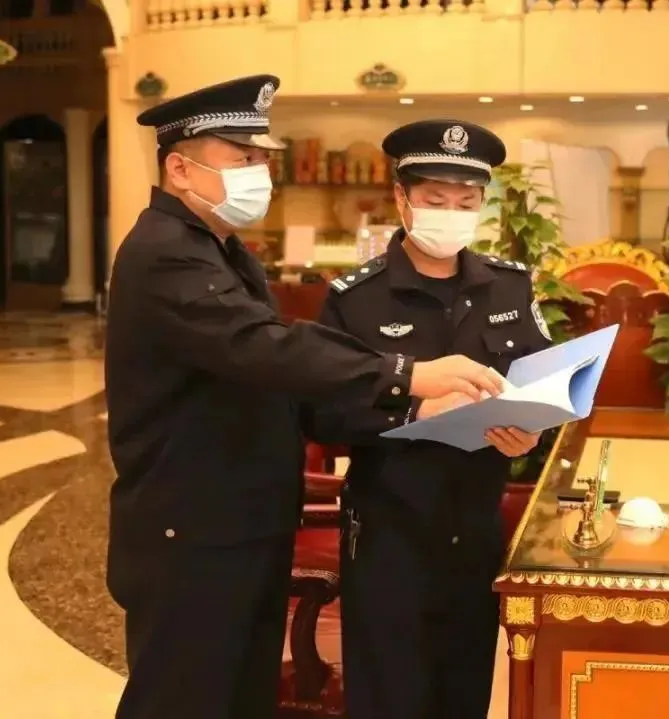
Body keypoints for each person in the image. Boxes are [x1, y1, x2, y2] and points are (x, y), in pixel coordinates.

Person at [104, 78, 503, 719]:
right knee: (183, 696)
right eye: (241, 157)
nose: (259, 172)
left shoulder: (219, 250)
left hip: (240, 520)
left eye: (262, 158)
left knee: (238, 696)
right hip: (192, 528)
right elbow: (263, 347)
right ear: (179, 168)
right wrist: (406, 375)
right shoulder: (166, 253)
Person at [302, 120, 553, 719]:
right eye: (436, 200)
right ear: (402, 198)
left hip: (477, 526)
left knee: (462, 692)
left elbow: (544, 384)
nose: (452, 214)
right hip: (390, 533)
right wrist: (413, 406)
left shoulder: (508, 288)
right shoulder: (356, 298)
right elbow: (321, 412)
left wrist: (535, 430)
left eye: (466, 202)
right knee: (392, 695)